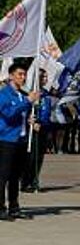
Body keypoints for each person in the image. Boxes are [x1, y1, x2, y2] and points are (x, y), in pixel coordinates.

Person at [0, 62, 40, 220]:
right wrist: (27, 102)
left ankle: (14, 206)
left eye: (24, 75)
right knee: (3, 175)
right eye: (19, 74)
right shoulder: (4, 94)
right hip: (6, 140)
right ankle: (1, 207)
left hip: (20, 140)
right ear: (11, 76)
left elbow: (21, 114)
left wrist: (30, 119)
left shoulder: (22, 95)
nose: (22, 78)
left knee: (15, 176)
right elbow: (9, 114)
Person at [21, 69, 52, 192]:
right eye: (43, 77)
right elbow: (25, 110)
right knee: (30, 156)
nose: (45, 79)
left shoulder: (45, 94)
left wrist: (42, 122)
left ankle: (34, 180)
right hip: (31, 130)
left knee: (39, 156)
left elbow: (47, 111)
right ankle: (25, 182)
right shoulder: (28, 93)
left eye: (46, 77)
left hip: (43, 128)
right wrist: (31, 120)